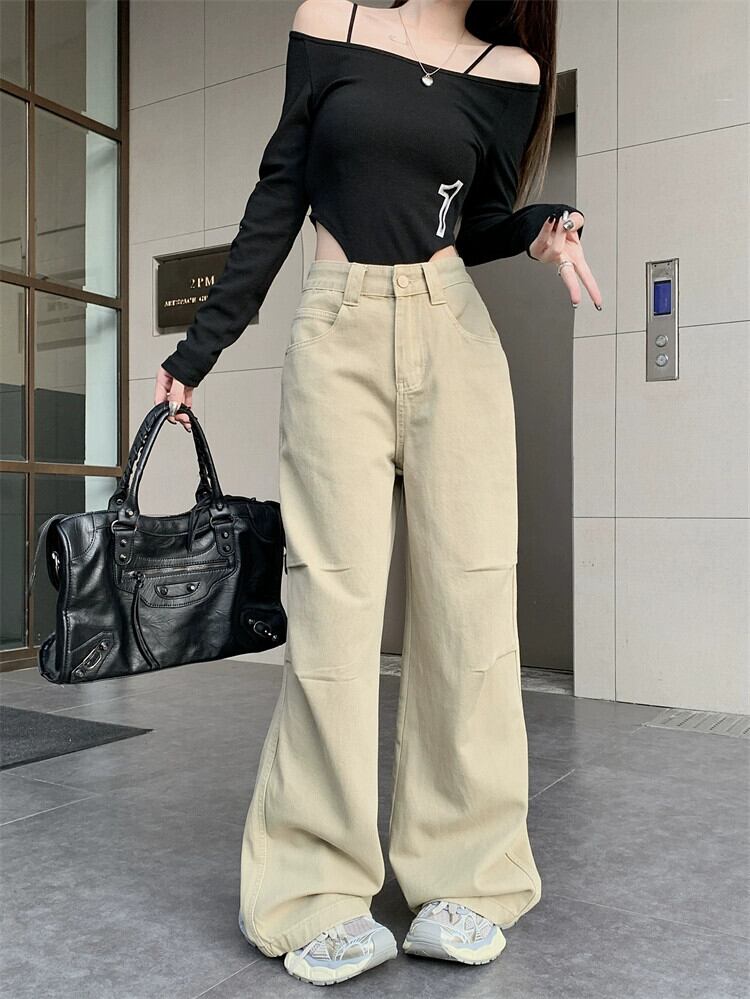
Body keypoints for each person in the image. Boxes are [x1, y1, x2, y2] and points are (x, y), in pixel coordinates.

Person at [155, 0, 601, 986]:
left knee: (470, 606)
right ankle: (313, 890)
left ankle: (466, 879)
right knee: (333, 608)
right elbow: (282, 190)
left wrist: (538, 229)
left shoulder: (513, 71)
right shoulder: (333, 21)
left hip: (453, 335)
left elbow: (477, 220)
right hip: (337, 330)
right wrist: (200, 348)